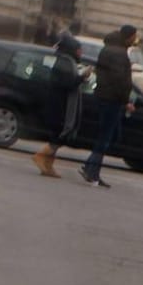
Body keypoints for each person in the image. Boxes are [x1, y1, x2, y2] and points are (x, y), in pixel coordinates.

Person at [80, 25, 139, 187]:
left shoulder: (109, 49)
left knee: (108, 135)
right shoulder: (119, 54)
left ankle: (91, 168)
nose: (136, 39)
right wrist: (126, 101)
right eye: (134, 36)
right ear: (128, 37)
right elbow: (120, 80)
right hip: (112, 99)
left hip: (104, 96)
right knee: (106, 137)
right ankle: (92, 171)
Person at [31, 32, 87, 177]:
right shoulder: (65, 63)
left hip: (58, 103)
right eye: (79, 50)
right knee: (59, 135)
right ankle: (41, 156)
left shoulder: (66, 61)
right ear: (72, 49)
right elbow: (68, 83)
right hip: (60, 105)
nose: (81, 53)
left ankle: (48, 166)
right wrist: (82, 77)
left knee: (57, 135)